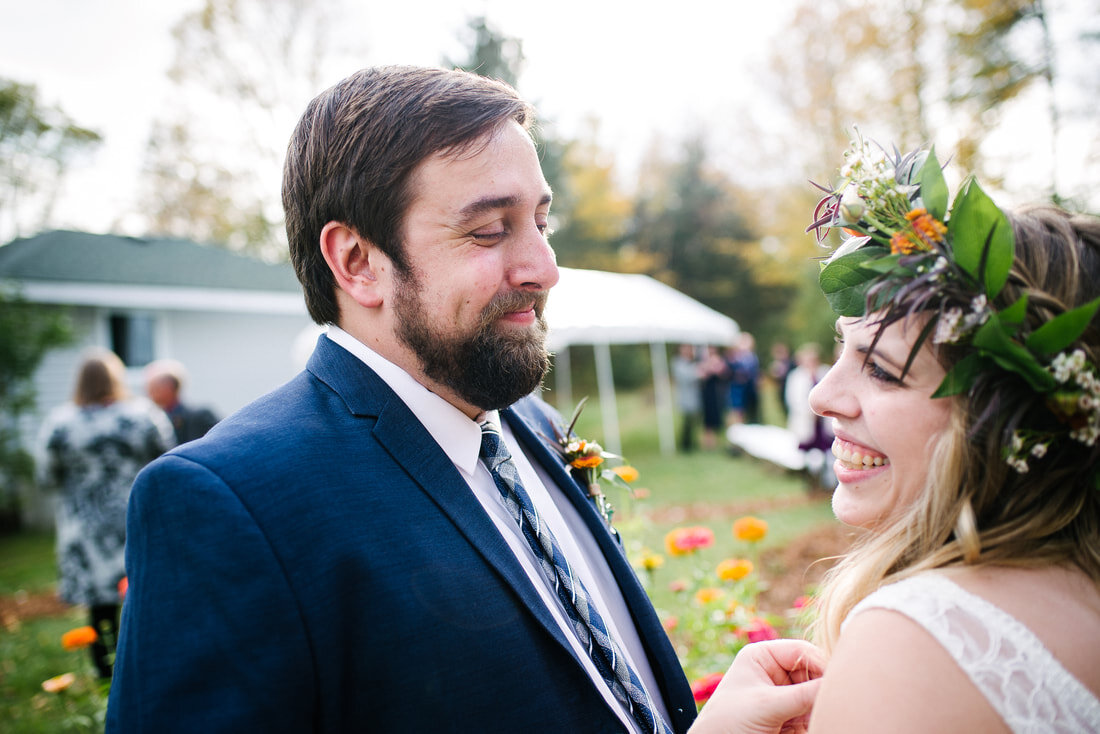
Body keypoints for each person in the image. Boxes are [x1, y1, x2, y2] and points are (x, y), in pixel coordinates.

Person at [107, 66, 698, 733]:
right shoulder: (228, 504)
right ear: (358, 262)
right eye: (489, 231)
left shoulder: (531, 424)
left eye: (541, 221)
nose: (545, 268)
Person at [697, 138, 1100, 733]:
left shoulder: (918, 641)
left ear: (999, 421)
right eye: (842, 349)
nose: (821, 396)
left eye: (882, 368)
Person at [35, 348, 175, 678]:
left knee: (99, 606)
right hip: (136, 518)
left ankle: (105, 675)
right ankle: (149, 666)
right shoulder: (143, 415)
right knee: (140, 591)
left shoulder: (60, 423)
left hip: (86, 530)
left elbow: (46, 477)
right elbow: (170, 460)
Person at [143, 358, 219, 444]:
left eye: (153, 387)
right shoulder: (153, 420)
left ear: (169, 386)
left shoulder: (200, 416)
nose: (148, 392)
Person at [672, 343, 703, 452]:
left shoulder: (693, 362)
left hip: (695, 397)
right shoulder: (678, 362)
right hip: (686, 397)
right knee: (687, 423)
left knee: (694, 422)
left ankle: (692, 443)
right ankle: (685, 445)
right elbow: (687, 377)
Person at [725, 333, 761, 425]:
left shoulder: (752, 358)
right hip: (736, 390)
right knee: (736, 412)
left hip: (749, 391)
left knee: (747, 415)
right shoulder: (734, 357)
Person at [699, 345, 729, 450]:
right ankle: (707, 442)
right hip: (707, 393)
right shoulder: (702, 361)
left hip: (718, 393)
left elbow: (723, 374)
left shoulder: (720, 360)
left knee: (717, 416)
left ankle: (715, 441)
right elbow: (701, 375)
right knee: (707, 419)